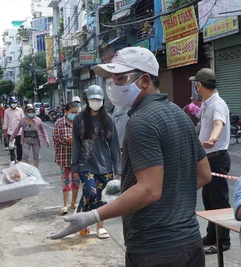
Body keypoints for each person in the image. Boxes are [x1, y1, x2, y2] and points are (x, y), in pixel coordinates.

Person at [49, 47, 212, 267]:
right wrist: (168, 195)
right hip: (190, 243)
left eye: (121, 78)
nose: (113, 85)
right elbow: (203, 174)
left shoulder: (141, 122)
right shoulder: (179, 114)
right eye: (112, 79)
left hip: (154, 250)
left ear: (145, 80)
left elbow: (148, 189)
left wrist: (92, 216)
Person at [70, 85, 122, 239]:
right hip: (85, 164)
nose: (96, 102)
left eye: (99, 99)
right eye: (93, 99)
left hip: (105, 165)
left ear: (103, 100)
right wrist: (74, 166)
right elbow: (76, 144)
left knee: (103, 198)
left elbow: (114, 145)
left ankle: (99, 226)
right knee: (90, 192)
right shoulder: (79, 119)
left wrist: (117, 168)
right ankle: (83, 221)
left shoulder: (108, 119)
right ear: (87, 100)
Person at [190, 68, 232, 254]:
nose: (195, 87)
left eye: (195, 83)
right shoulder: (207, 103)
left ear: (199, 85)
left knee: (219, 201)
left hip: (217, 158)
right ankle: (212, 235)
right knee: (208, 200)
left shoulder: (218, 104)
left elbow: (218, 124)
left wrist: (213, 138)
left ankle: (223, 241)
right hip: (207, 158)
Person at [53, 102, 80, 215]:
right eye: (72, 113)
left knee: (76, 181)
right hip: (64, 157)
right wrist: (66, 140)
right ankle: (65, 204)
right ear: (66, 112)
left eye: (76, 113)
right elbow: (55, 138)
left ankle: (74, 202)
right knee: (66, 180)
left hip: (78, 157)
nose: (74, 115)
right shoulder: (59, 123)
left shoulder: (80, 122)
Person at [3, 97, 24, 163]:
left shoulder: (20, 110)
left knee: (19, 146)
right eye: (12, 103)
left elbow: (23, 121)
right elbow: (5, 121)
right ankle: (13, 159)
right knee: (11, 146)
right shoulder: (7, 111)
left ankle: (19, 159)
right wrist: (5, 131)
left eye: (15, 103)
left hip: (19, 132)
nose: (13, 104)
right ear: (10, 103)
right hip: (10, 132)